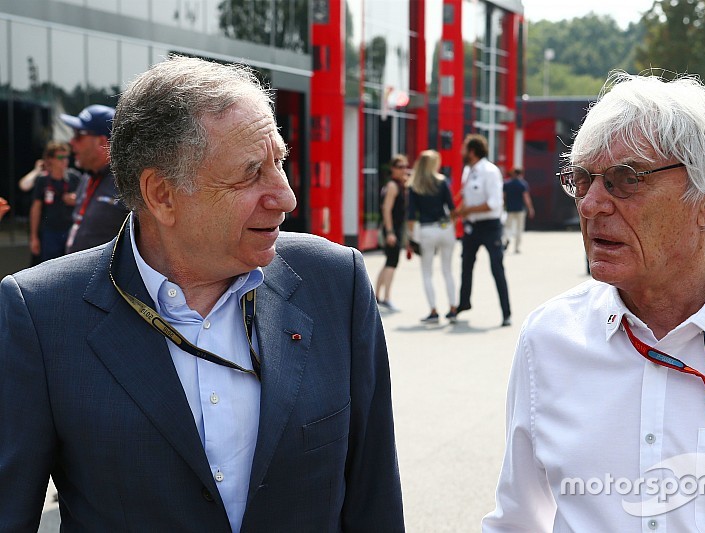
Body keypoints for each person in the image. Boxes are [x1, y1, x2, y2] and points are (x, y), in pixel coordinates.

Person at [0, 55, 403, 531]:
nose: (286, 196)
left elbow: (375, 498)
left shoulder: (336, 283)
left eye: (279, 162)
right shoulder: (42, 314)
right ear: (162, 195)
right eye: (251, 173)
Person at [483, 72, 705, 531]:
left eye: (625, 179)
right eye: (582, 180)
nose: (590, 204)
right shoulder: (549, 337)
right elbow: (519, 519)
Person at [454, 134, 511, 327]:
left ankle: (506, 312)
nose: (461, 152)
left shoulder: (490, 171)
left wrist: (467, 210)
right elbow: (466, 197)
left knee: (496, 267)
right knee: (466, 264)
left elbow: (494, 203)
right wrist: (459, 211)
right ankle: (463, 303)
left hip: (490, 226)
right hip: (472, 226)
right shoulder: (468, 171)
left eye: (464, 148)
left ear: (472, 151)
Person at [61, 103, 129, 254]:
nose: (71, 142)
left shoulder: (127, 184)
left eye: (79, 135)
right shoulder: (87, 177)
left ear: (101, 142)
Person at [405, 149, 458, 324]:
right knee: (448, 270)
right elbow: (452, 208)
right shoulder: (442, 182)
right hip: (444, 228)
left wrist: (411, 238)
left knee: (427, 272)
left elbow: (411, 215)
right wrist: (452, 226)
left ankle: (433, 311)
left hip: (427, 229)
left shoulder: (414, 186)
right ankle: (453, 308)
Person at [28, 141, 82, 261]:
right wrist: (33, 237)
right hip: (50, 232)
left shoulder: (74, 177)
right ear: (50, 159)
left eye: (67, 157)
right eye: (60, 157)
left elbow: (86, 200)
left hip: (70, 230)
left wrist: (75, 199)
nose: (64, 161)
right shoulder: (43, 180)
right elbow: (36, 209)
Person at [375, 154, 408, 311]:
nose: (403, 170)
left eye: (405, 166)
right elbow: (386, 209)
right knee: (392, 262)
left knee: (389, 261)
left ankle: (376, 295)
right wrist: (390, 232)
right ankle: (386, 297)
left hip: (395, 228)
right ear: (393, 169)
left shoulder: (398, 185)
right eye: (400, 167)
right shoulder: (393, 186)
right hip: (392, 228)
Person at [502, 167, 535, 253]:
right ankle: (516, 248)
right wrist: (530, 208)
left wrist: (503, 206)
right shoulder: (523, 184)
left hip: (509, 209)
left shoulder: (507, 183)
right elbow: (526, 197)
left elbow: (503, 197)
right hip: (520, 209)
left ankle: (507, 239)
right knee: (519, 229)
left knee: (507, 227)